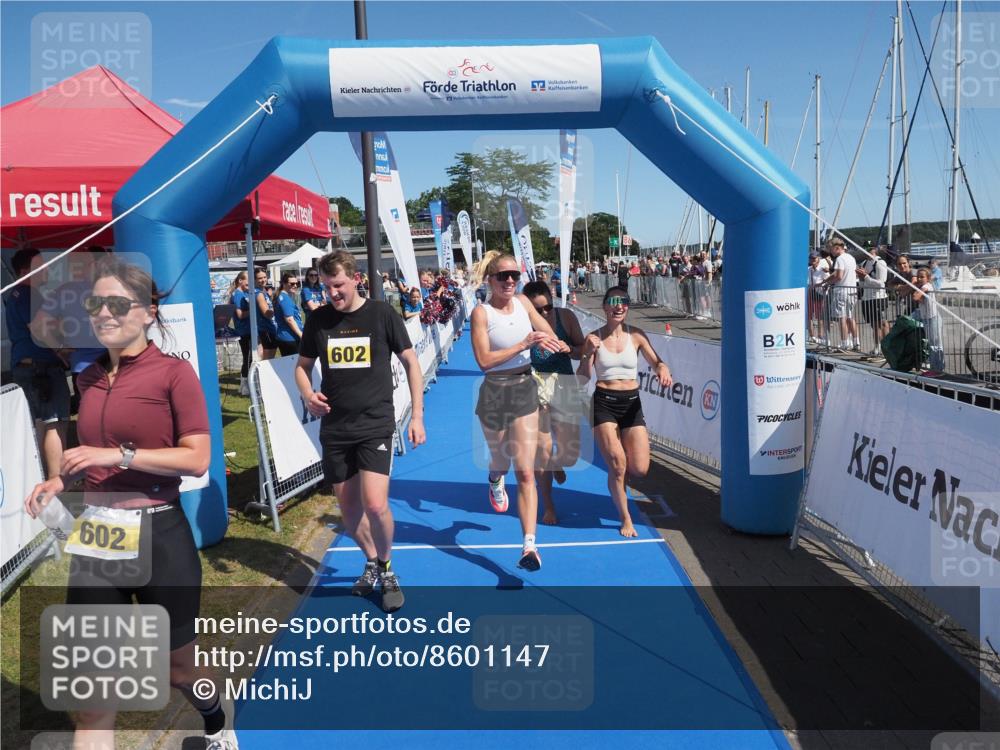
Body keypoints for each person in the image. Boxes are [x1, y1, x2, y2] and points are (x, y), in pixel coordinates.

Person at [24, 260, 237, 750]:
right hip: (99, 540)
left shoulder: (173, 373)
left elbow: (198, 458)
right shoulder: (91, 377)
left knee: (177, 668)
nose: (103, 313)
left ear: (146, 312)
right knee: (93, 698)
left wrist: (118, 454)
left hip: (160, 535)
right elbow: (92, 460)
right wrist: (60, 481)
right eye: (95, 303)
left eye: (116, 304)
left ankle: (216, 719)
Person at [296, 251, 426, 612]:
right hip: (336, 427)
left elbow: (412, 364)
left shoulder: (382, 314)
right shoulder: (319, 320)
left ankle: (387, 568)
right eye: (325, 287)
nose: (332, 294)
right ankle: (371, 560)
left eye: (337, 285)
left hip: (374, 423)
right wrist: (308, 395)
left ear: (355, 278)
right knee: (348, 507)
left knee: (375, 502)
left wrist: (417, 415)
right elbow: (302, 367)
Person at [470, 251, 567, 570]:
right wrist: (524, 344)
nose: (510, 280)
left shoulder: (525, 303)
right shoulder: (481, 314)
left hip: (524, 386)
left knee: (526, 470)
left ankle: (529, 546)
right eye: (503, 276)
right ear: (491, 280)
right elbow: (484, 361)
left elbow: (547, 333)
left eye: (514, 275)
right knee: (501, 460)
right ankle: (495, 478)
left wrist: (548, 341)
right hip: (495, 392)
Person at [577, 287, 672, 537]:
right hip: (604, 403)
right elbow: (581, 378)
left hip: (631, 403)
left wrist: (662, 369)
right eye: (613, 303)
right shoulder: (593, 337)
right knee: (618, 465)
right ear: (605, 307)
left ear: (627, 307)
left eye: (624, 303)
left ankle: (617, 484)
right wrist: (587, 352)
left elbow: (657, 361)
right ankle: (625, 517)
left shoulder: (637, 336)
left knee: (639, 469)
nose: (619, 307)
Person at [4, 248, 71, 479]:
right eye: (41, 265)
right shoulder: (29, 294)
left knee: (41, 423)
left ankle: (43, 478)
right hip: (41, 367)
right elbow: (40, 329)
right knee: (55, 422)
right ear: (26, 271)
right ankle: (57, 481)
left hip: (27, 366)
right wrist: (62, 351)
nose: (47, 269)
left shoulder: (16, 295)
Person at [523, 280, 586, 525]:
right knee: (542, 450)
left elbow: (582, 350)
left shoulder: (566, 317)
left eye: (547, 307)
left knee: (570, 452)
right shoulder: (521, 324)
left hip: (563, 383)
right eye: (537, 311)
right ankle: (548, 506)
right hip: (534, 383)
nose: (544, 314)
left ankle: (557, 463)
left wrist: (568, 348)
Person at [820, 238, 859, 351]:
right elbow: (836, 274)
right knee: (851, 317)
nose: (830, 252)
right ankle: (856, 342)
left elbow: (838, 276)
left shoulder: (840, 259)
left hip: (842, 291)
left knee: (842, 318)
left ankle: (844, 342)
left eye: (830, 249)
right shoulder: (851, 257)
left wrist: (828, 283)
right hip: (852, 290)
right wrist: (825, 281)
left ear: (837, 248)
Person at [857, 248, 890, 356]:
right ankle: (877, 347)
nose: (867, 252)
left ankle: (885, 347)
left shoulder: (880, 263)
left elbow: (881, 284)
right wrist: (861, 279)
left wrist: (866, 277)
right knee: (873, 325)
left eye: (870, 250)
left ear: (874, 251)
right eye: (865, 249)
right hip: (867, 298)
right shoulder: (864, 263)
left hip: (878, 298)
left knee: (881, 324)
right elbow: (863, 284)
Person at [912, 267, 945, 373]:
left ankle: (937, 369)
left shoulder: (927, 286)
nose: (920, 279)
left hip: (933, 319)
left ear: (928, 278)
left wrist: (917, 289)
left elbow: (916, 297)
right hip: (927, 318)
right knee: (932, 344)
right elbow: (920, 299)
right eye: (918, 277)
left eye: (922, 277)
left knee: (935, 345)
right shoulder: (923, 287)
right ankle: (934, 368)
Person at [227, 272, 253, 395]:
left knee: (250, 358)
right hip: (244, 331)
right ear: (240, 281)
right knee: (248, 358)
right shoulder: (237, 294)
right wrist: (254, 311)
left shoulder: (244, 293)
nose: (250, 283)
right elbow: (240, 314)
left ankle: (244, 385)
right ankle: (245, 385)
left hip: (249, 330)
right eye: (248, 280)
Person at [273, 270, 304, 357]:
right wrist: (301, 335)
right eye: (292, 284)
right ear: (284, 283)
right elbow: (289, 319)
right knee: (293, 366)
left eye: (296, 283)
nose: (295, 286)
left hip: (288, 337)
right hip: (289, 338)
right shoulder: (284, 298)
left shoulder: (284, 296)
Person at [252, 269, 278, 359]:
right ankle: (264, 373)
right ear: (254, 279)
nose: (263, 280)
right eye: (260, 278)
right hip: (266, 329)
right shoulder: (258, 293)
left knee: (270, 357)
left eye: (264, 277)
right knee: (268, 359)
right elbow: (266, 313)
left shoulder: (263, 291)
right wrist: (278, 309)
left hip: (270, 328)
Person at [807, 252, 829, 345]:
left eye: (814, 259)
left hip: (820, 294)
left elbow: (828, 280)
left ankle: (820, 336)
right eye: (811, 259)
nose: (813, 260)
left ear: (818, 259)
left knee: (820, 317)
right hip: (811, 293)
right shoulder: (808, 269)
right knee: (810, 317)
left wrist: (823, 287)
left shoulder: (823, 269)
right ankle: (812, 336)